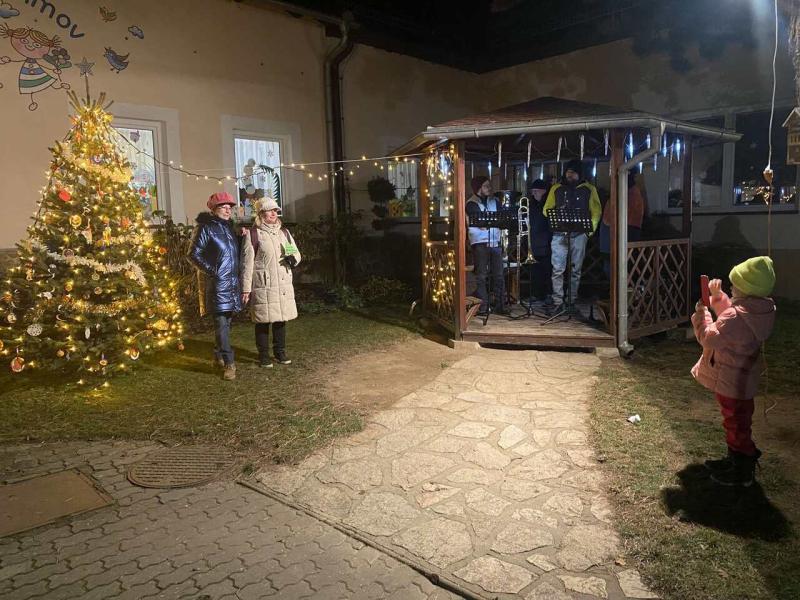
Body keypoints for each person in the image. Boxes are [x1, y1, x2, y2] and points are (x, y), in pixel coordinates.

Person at [691, 256, 776, 487]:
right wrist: (718, 297)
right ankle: (734, 459)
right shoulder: (759, 311)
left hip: (730, 380)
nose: (731, 288)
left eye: (735, 285)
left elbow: (709, 337)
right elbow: (732, 317)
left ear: (746, 291)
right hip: (744, 380)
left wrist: (702, 314)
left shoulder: (737, 316)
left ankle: (742, 469)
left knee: (736, 424)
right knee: (737, 421)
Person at [240, 198, 301, 368]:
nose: (274, 213)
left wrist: (293, 259)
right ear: (261, 214)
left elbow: (295, 252)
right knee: (263, 321)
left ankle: (280, 352)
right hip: (263, 284)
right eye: (270, 210)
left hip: (282, 283)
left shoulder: (284, 233)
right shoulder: (253, 234)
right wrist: (245, 289)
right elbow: (247, 264)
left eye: (275, 210)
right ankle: (264, 355)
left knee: (281, 319)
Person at [189, 192, 243, 381]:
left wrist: (241, 237)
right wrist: (213, 271)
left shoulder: (228, 228)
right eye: (223, 207)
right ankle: (229, 363)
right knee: (221, 324)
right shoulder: (205, 228)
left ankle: (217, 356)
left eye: (230, 207)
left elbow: (230, 254)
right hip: (217, 285)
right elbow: (193, 254)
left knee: (225, 324)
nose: (228, 210)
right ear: (213, 209)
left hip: (231, 284)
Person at [543, 159, 602, 312]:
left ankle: (571, 301)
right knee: (557, 269)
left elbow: (596, 211)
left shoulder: (589, 189)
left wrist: (588, 232)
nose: (570, 175)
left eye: (573, 172)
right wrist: (556, 218)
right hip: (559, 235)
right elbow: (546, 209)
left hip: (579, 234)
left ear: (580, 174)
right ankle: (557, 301)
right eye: (568, 172)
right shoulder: (556, 188)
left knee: (575, 270)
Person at [465, 176, 507, 315]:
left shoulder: (494, 201)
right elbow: (480, 222)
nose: (489, 188)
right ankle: (483, 306)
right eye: (486, 186)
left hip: (495, 241)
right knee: (481, 276)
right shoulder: (471, 203)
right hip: (480, 242)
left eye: (489, 185)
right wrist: (493, 220)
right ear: (478, 188)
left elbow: (502, 218)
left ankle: (500, 305)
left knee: (499, 275)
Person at [598, 170, 646, 279]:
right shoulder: (621, 192)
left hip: (624, 236)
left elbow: (630, 217)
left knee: (620, 268)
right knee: (611, 267)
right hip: (611, 236)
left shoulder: (632, 193)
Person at [527, 179, 553, 304]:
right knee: (535, 270)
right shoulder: (530, 205)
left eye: (536, 191)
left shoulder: (549, 204)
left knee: (548, 270)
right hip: (534, 242)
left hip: (547, 242)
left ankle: (549, 294)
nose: (534, 194)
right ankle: (536, 294)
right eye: (532, 191)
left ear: (544, 191)